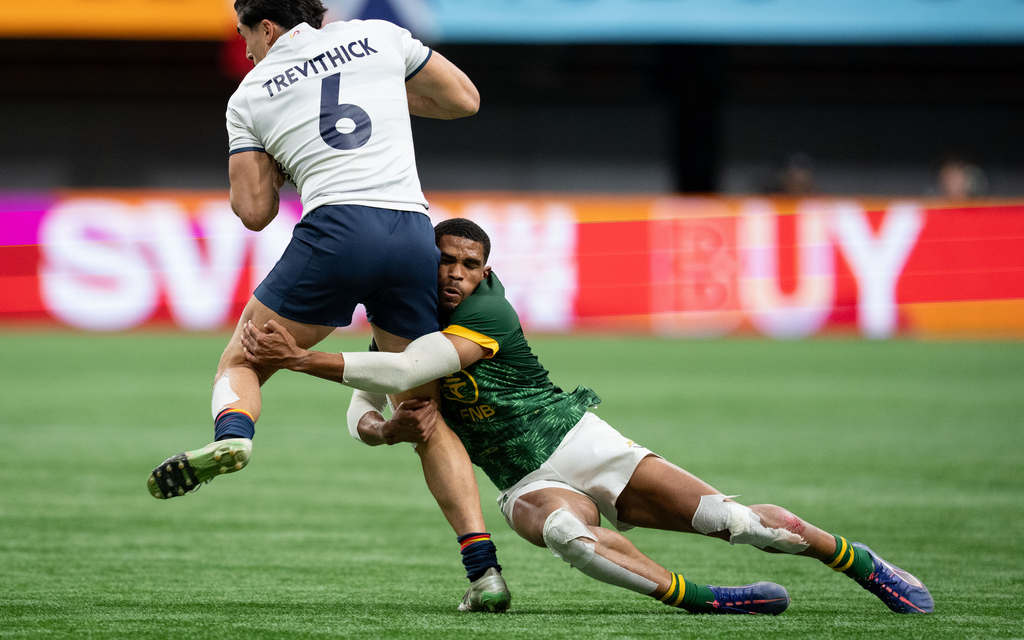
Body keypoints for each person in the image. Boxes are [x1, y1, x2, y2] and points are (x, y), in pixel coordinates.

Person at [240, 218, 935, 616]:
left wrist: (300, 359)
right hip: (525, 481)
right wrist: (382, 430)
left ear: (484, 272)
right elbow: (365, 408)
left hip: (585, 445)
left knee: (741, 523)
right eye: (444, 261)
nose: (455, 273)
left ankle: (855, 559)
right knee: (568, 533)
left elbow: (400, 373)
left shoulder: (486, 313)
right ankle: (706, 599)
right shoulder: (399, 322)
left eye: (468, 263)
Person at [145, 0, 510, 612]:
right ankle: (484, 571)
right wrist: (393, 102)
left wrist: (282, 157)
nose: (248, 51)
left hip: (336, 228)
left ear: (266, 28)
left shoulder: (249, 93)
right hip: (408, 233)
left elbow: (254, 211)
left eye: (245, 37)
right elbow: (464, 100)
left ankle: (234, 434)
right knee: (422, 414)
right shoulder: (377, 35)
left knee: (244, 358)